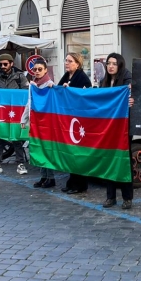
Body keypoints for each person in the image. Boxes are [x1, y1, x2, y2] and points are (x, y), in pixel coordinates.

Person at [0, 53, 30, 176]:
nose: (3, 66)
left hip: (15, 112)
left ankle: (20, 163)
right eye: (1, 64)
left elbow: (27, 92)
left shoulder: (19, 77)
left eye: (5, 64)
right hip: (0, 112)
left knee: (16, 138)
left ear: (11, 64)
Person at [99, 53, 135, 209]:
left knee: (124, 161)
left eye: (114, 63)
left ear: (120, 65)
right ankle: (110, 196)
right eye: (108, 63)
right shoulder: (104, 82)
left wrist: (132, 99)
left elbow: (136, 98)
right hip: (108, 129)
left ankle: (127, 198)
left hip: (124, 128)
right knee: (109, 161)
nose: (111, 66)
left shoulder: (128, 80)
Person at [57, 52, 92, 194]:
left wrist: (71, 91)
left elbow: (86, 96)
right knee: (70, 153)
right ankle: (71, 182)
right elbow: (58, 90)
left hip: (79, 120)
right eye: (66, 60)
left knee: (78, 153)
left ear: (77, 63)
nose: (66, 63)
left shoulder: (82, 77)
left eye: (70, 61)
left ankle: (81, 184)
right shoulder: (67, 76)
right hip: (68, 119)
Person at [22, 58, 56, 188]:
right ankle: (43, 176)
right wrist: (23, 119)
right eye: (35, 69)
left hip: (46, 123)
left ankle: (50, 178)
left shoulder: (49, 84)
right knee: (38, 148)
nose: (37, 72)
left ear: (45, 70)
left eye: (40, 69)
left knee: (46, 149)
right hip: (36, 123)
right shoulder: (34, 85)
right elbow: (29, 103)